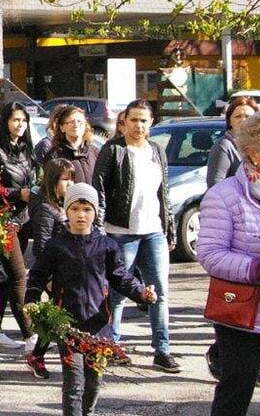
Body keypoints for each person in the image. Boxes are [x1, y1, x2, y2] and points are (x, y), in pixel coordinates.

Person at [27, 183, 157, 416]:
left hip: (99, 326)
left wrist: (141, 293)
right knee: (74, 383)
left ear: (95, 212)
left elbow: (120, 277)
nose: (81, 215)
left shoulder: (107, 246)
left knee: (94, 382)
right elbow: (37, 275)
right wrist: (32, 299)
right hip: (67, 325)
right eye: (75, 209)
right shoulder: (56, 246)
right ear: (66, 211)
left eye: (87, 209)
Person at [199, 111, 260, 415]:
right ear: (252, 154)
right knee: (235, 393)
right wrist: (259, 268)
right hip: (243, 313)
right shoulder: (224, 196)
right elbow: (211, 255)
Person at [92, 99, 178, 372]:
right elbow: (99, 189)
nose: (138, 125)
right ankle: (111, 345)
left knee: (159, 292)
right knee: (117, 293)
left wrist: (170, 227)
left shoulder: (157, 150)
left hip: (153, 231)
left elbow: (164, 193)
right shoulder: (113, 149)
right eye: (133, 120)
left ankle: (162, 350)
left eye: (143, 120)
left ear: (151, 123)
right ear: (124, 122)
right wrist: (99, 229)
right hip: (120, 232)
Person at [0, 101, 36, 352]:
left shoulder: (26, 150)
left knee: (4, 278)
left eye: (23, 120)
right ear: (6, 122)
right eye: (15, 120)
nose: (20, 125)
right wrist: (16, 194)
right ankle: (30, 335)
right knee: (19, 276)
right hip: (2, 221)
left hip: (23, 219)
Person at [24, 157, 75, 379]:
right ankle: (39, 356)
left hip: (67, 269)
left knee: (59, 314)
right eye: (65, 179)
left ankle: (38, 354)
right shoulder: (46, 208)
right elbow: (42, 246)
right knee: (59, 314)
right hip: (52, 271)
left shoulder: (65, 205)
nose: (70, 184)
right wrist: (50, 277)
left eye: (72, 179)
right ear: (53, 180)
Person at [44, 106, 100, 185]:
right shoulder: (55, 155)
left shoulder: (95, 152)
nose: (76, 125)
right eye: (71, 122)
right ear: (62, 127)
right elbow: (50, 186)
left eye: (80, 122)